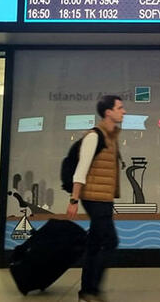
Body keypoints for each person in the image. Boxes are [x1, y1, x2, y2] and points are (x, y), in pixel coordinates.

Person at [67, 95, 126, 302]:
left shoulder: (111, 136)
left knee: (95, 243)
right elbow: (81, 170)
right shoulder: (94, 136)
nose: (124, 111)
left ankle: (87, 290)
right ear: (108, 112)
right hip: (94, 198)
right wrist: (74, 200)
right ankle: (92, 289)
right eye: (120, 108)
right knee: (110, 241)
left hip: (103, 197)